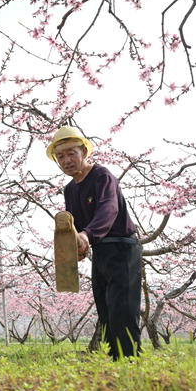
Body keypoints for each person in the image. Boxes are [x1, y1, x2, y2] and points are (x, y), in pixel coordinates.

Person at [47, 126, 143, 360]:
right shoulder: (70, 189)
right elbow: (74, 224)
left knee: (123, 309)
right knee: (106, 309)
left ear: (84, 152)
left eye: (71, 153)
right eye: (60, 156)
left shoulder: (102, 176)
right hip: (100, 251)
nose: (66, 160)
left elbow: (108, 210)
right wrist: (74, 247)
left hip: (122, 248)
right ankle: (115, 358)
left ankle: (130, 361)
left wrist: (87, 236)